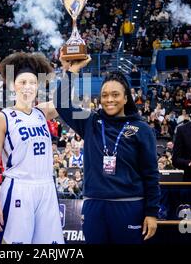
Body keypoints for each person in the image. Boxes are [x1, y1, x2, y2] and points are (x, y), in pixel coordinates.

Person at [53, 57, 160, 244]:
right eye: (104, 95)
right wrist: (73, 70)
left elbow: (151, 174)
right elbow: (61, 104)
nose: (109, 99)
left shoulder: (141, 129)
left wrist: (151, 212)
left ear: (126, 98)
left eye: (115, 94)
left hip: (129, 205)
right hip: (94, 206)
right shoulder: (90, 122)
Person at [0, 52, 64, 244]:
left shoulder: (41, 112)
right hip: (18, 187)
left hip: (46, 187)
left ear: (38, 86)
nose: (28, 87)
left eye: (32, 83)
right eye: (22, 83)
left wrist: (70, 69)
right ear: (13, 86)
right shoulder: (2, 117)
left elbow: (66, 102)